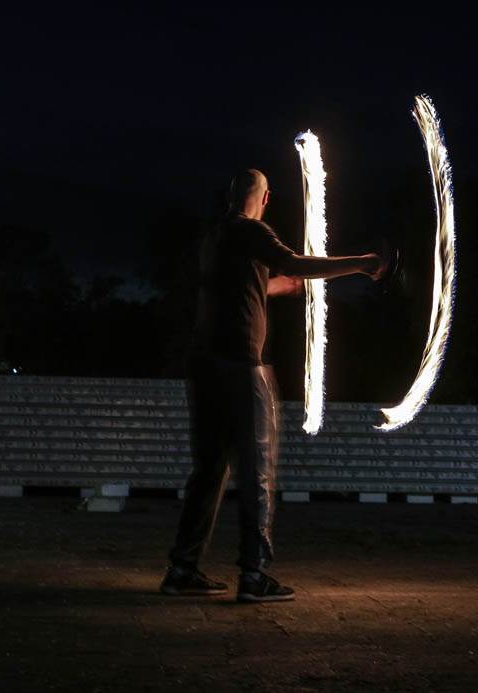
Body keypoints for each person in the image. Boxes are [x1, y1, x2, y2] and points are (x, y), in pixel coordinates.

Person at [161, 169, 385, 603]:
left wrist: (278, 287)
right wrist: (362, 263)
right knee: (258, 470)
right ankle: (254, 575)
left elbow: (244, 284)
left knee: (209, 469)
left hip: (204, 364)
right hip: (242, 366)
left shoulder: (216, 236)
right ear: (265, 200)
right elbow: (296, 261)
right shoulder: (253, 231)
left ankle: (181, 569)